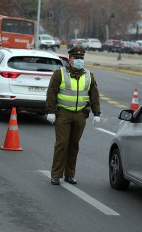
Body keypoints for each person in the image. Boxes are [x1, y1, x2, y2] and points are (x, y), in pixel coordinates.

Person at [46, 45, 101, 185]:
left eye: (81, 58)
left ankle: (69, 174)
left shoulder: (89, 75)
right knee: (62, 144)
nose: (79, 60)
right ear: (69, 59)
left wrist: (97, 113)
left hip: (80, 115)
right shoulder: (60, 74)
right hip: (63, 114)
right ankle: (56, 175)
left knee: (74, 145)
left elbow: (94, 95)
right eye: (76, 58)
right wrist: (51, 111)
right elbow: (51, 93)